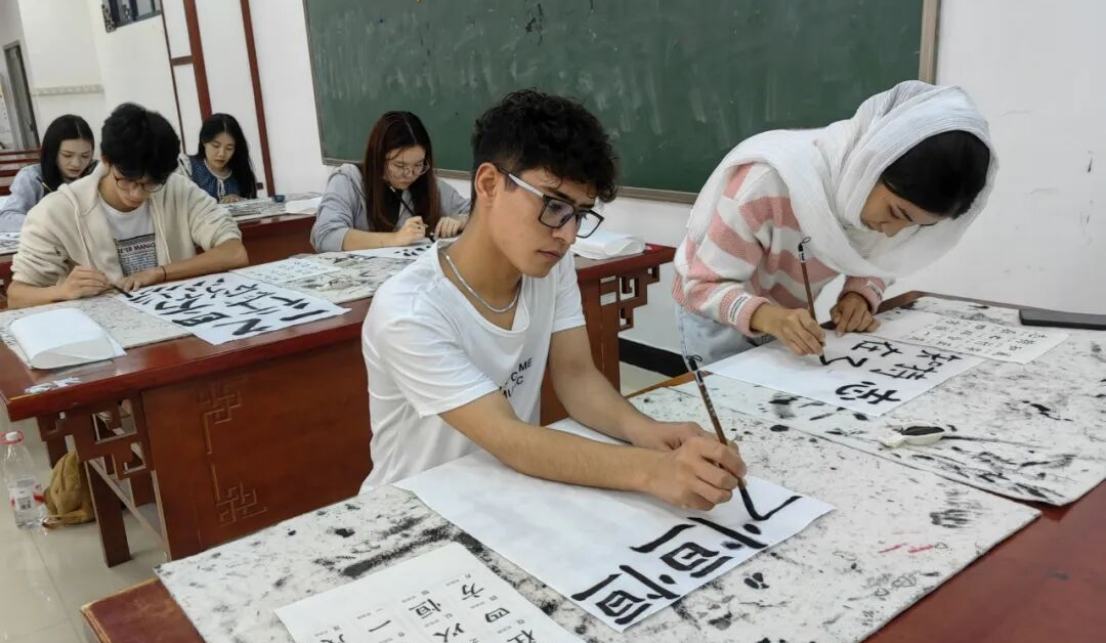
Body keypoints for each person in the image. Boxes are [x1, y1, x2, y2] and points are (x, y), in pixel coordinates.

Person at [362, 90, 746, 511]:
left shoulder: (548, 266)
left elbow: (576, 377)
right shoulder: (410, 311)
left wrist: (649, 432)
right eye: (554, 205)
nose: (567, 235)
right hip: (412, 512)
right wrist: (654, 471)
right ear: (489, 184)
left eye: (579, 214)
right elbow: (511, 439)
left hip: (507, 495)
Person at [673, 81, 996, 363]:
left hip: (787, 318)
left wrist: (859, 295)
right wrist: (769, 317)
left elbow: (882, 258)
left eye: (916, 226)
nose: (892, 232)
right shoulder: (766, 183)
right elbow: (702, 286)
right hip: (717, 314)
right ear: (871, 165)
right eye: (897, 213)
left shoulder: (870, 197)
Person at [8, 103, 248, 308]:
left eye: (150, 184)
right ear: (105, 160)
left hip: (176, 318)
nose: (137, 194)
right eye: (126, 180)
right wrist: (63, 291)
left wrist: (160, 273)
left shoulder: (177, 189)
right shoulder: (57, 211)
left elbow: (234, 252)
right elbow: (17, 296)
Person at [311, 111, 469, 252]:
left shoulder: (427, 183)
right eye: (399, 165)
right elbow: (326, 235)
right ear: (378, 157)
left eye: (418, 165)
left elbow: (476, 211)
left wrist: (460, 220)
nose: (409, 174)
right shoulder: (348, 180)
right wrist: (395, 239)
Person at [0, 115, 96, 232]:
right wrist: (50, 223)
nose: (76, 163)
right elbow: (6, 219)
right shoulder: (33, 177)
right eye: (67, 155)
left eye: (85, 156)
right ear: (52, 152)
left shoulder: (96, 172)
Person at [179, 113, 259, 202]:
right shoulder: (186, 168)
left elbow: (252, 202)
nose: (222, 154)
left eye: (229, 148)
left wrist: (239, 200)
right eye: (216, 146)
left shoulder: (240, 172)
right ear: (204, 141)